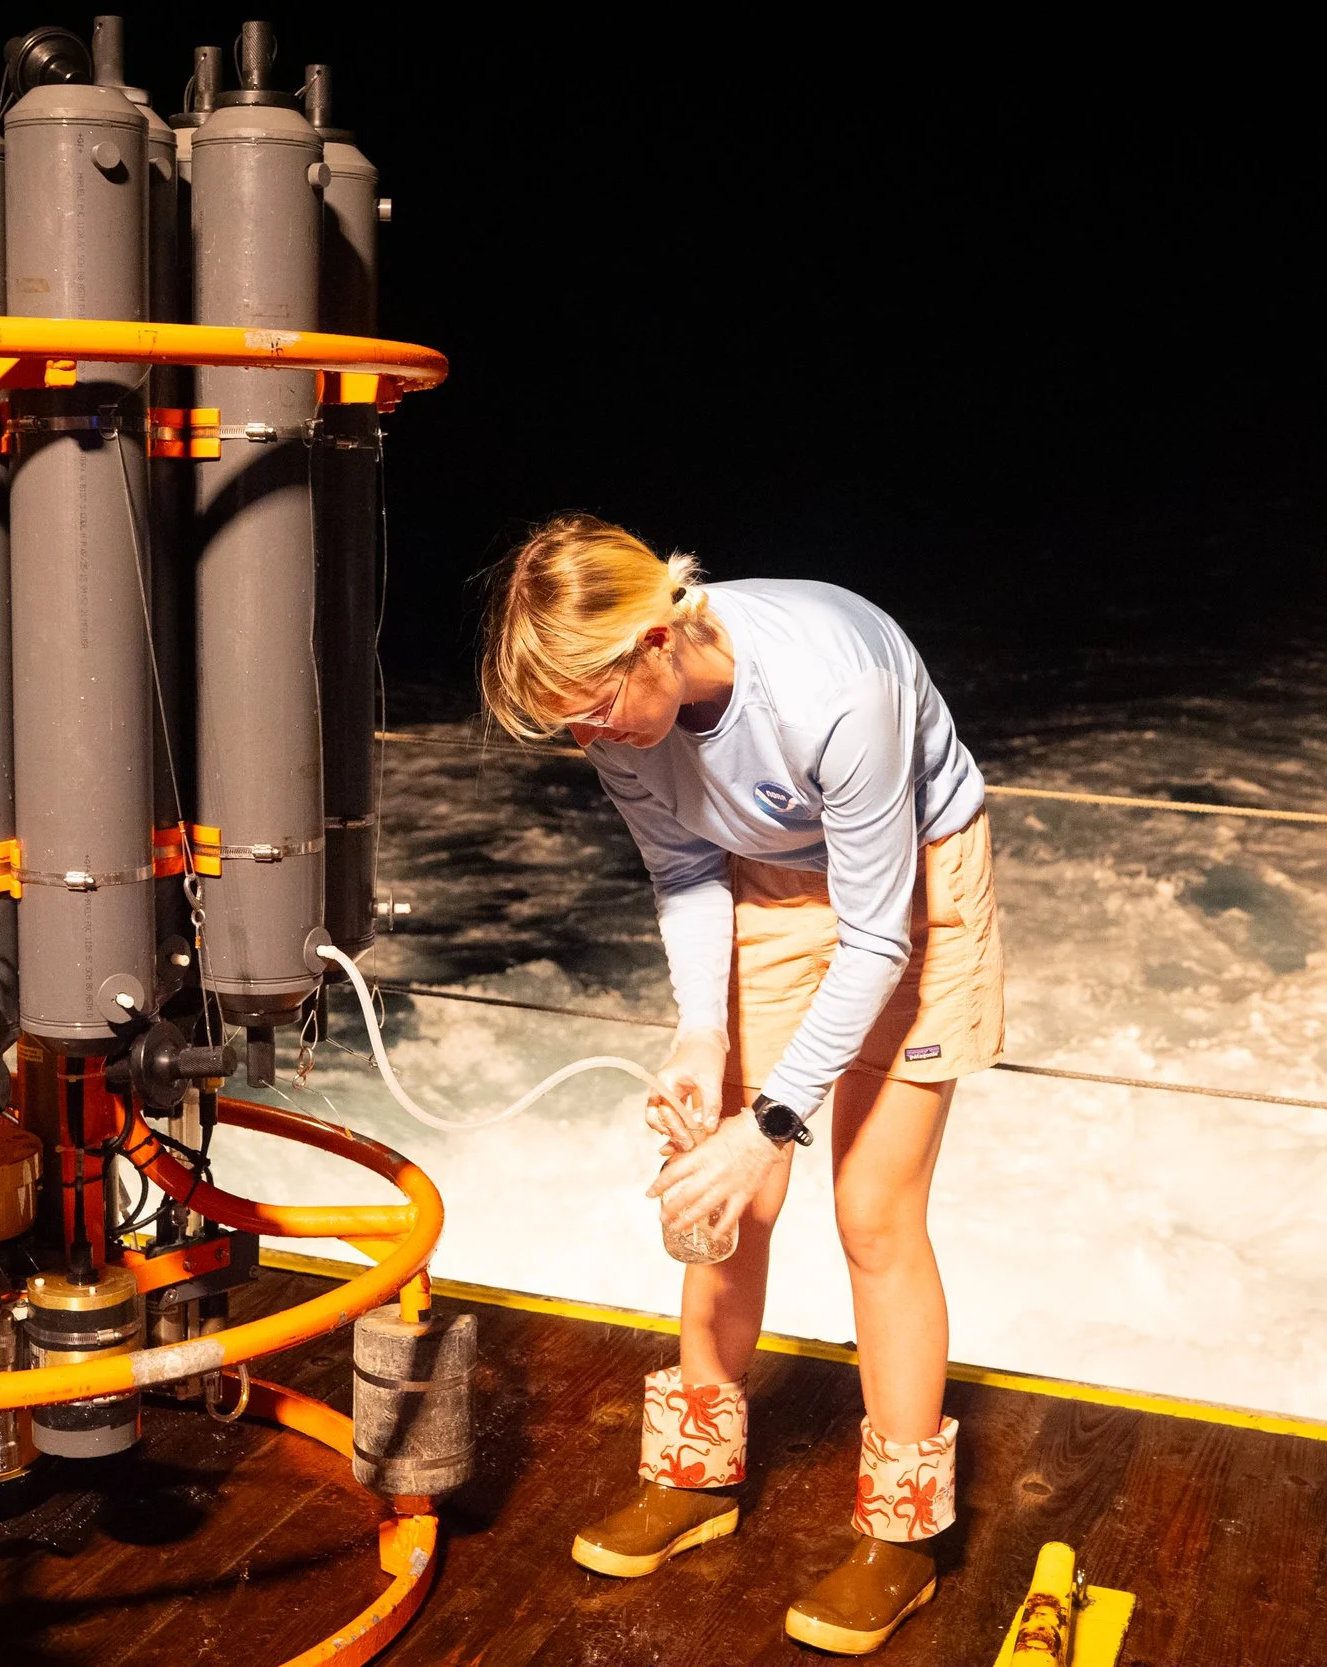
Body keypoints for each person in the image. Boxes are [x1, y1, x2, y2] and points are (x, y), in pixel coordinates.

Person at [478, 513, 1005, 1655]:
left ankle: (899, 1541)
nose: (585, 735)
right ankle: (693, 1477)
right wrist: (695, 1038)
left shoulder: (833, 690)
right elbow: (681, 866)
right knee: (725, 1199)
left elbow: (876, 939)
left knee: (872, 1213)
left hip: (912, 883)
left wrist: (769, 1119)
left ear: (658, 639)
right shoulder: (613, 719)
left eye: (590, 704)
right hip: (767, 876)